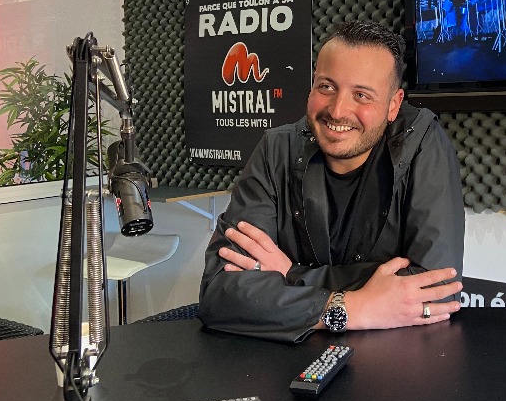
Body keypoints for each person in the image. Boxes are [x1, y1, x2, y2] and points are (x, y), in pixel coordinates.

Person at [199, 20, 465, 343]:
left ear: (393, 105)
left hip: (388, 361)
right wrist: (353, 307)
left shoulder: (422, 142)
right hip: (284, 362)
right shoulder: (276, 150)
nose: (338, 110)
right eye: (326, 87)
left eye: (361, 95)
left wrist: (293, 274)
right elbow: (219, 293)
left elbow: (435, 290)